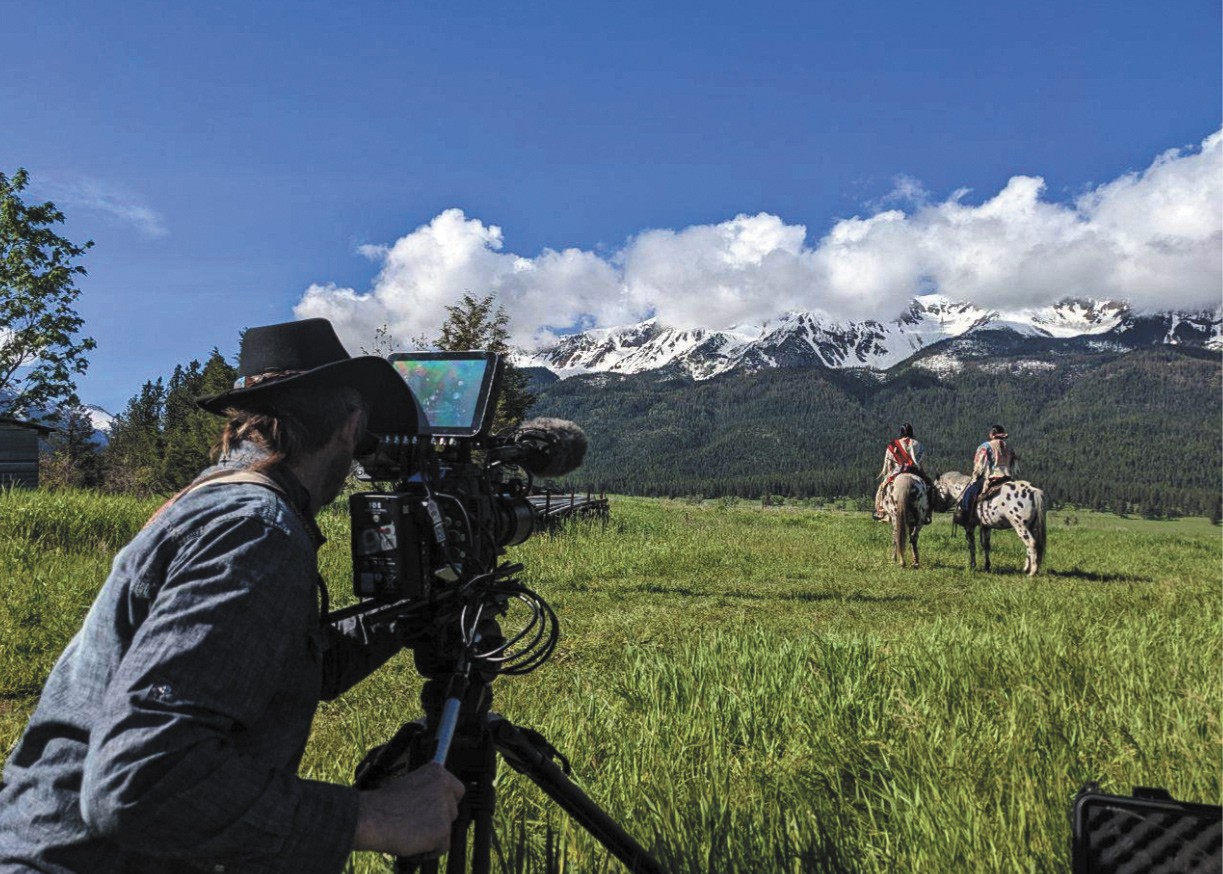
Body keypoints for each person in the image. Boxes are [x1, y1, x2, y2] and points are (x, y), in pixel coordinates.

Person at [0, 319, 466, 873]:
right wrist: (372, 817)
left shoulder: (221, 499)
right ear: (352, 423)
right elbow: (142, 780)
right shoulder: (257, 527)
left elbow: (271, 665)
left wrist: (416, 611)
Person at [873, 423, 932, 523]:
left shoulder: (893, 445)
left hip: (897, 472)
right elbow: (921, 465)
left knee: (882, 487)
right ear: (912, 432)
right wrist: (924, 475)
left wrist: (889, 474)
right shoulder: (918, 445)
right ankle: (927, 512)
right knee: (930, 487)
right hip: (914, 471)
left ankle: (881, 510)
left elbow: (888, 465)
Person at [958, 424, 1019, 521]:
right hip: (1008, 477)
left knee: (969, 493)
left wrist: (975, 477)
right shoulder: (1009, 447)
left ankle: (967, 516)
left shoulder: (986, 446)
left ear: (993, 434)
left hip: (993, 477)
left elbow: (979, 465)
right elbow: (1014, 465)